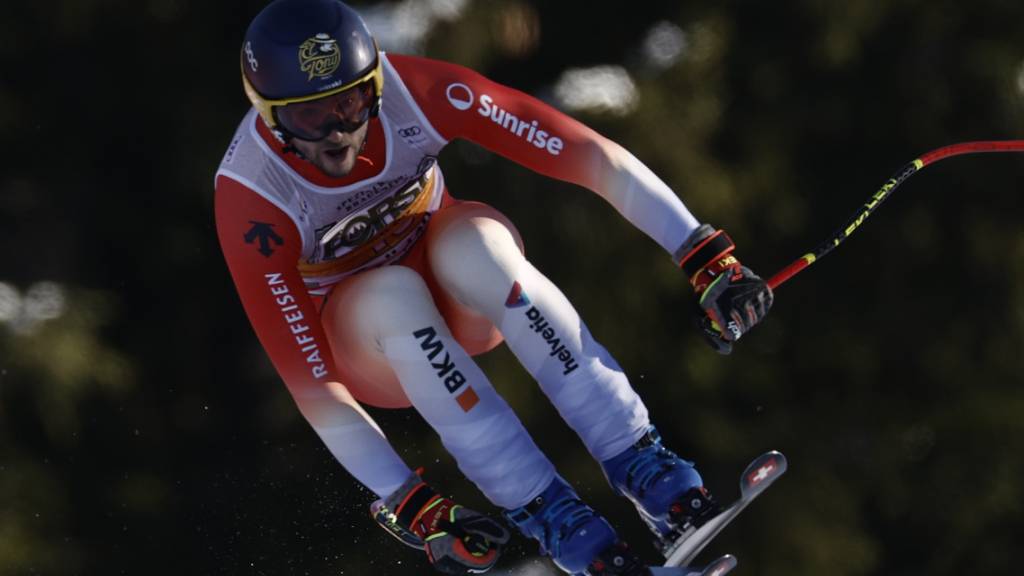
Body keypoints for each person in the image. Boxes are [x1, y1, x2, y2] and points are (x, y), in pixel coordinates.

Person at [214, 0, 773, 574]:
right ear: (269, 114)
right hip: (375, 345)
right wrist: (411, 502)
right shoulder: (253, 196)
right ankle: (559, 522)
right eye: (310, 118)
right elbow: (315, 388)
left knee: (479, 247)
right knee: (389, 296)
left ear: (376, 83)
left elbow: (587, 155)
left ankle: (650, 470)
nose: (337, 133)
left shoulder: (417, 93)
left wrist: (704, 256)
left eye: (350, 103)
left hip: (461, 292)